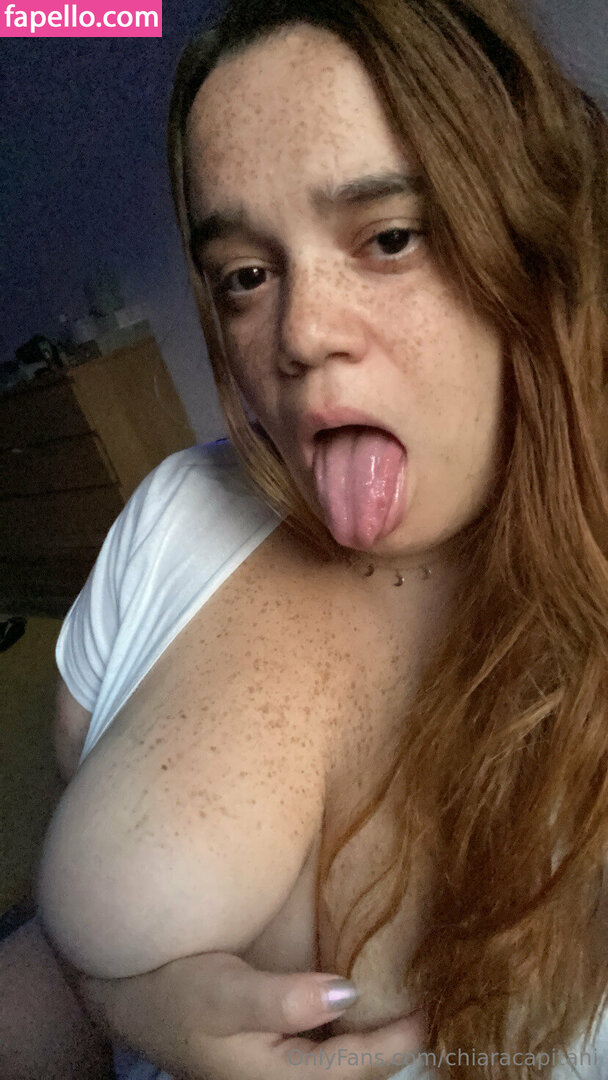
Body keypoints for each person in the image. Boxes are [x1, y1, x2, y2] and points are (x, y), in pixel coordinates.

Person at [5, 0, 605, 1077]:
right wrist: (117, 997)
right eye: (245, 274)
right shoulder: (174, 516)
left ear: (534, 242)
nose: (298, 333)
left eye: (389, 237)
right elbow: (57, 940)